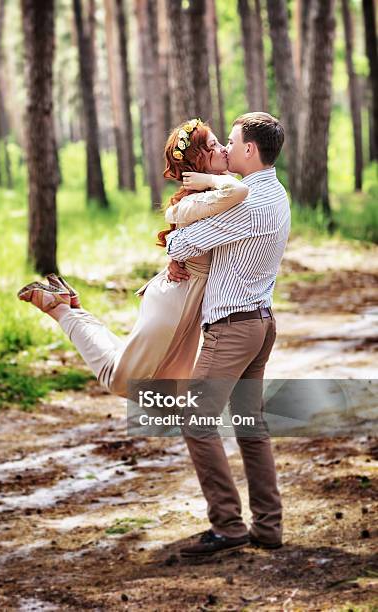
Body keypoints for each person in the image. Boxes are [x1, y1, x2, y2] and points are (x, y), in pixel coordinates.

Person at [17, 118, 249, 399]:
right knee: (124, 382)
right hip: (174, 305)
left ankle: (68, 307)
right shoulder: (194, 201)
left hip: (184, 302)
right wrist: (211, 180)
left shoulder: (213, 193)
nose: (225, 149)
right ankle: (62, 310)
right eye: (214, 145)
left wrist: (211, 181)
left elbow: (235, 193)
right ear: (198, 158)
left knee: (161, 392)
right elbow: (237, 190)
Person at [164, 112, 291, 557]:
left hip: (233, 326)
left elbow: (181, 244)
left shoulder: (250, 202)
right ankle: (268, 528)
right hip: (260, 323)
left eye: (232, 142)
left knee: (195, 422)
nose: (226, 149)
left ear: (250, 150)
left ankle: (228, 525)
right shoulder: (275, 192)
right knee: (250, 427)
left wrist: (179, 238)